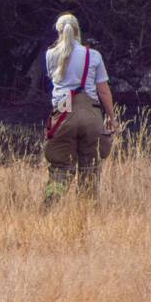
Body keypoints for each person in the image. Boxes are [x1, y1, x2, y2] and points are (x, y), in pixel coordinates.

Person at [43, 13, 116, 204]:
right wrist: (111, 117)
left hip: (62, 113)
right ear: (78, 31)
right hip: (91, 113)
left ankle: (49, 208)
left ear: (59, 31)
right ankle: (86, 211)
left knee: (59, 167)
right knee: (90, 166)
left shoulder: (50, 54)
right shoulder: (94, 55)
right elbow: (104, 91)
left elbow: (54, 81)